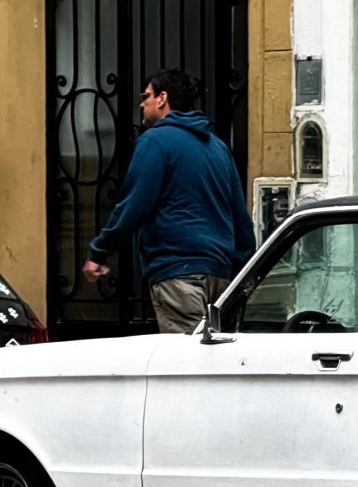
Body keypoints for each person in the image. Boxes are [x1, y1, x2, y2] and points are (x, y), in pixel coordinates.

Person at [81, 69, 255, 333]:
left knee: (186, 366)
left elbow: (134, 205)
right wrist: (242, 273)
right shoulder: (218, 148)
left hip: (178, 273)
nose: (142, 103)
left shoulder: (155, 141)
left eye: (145, 96)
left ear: (162, 98)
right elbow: (239, 217)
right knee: (215, 364)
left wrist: (100, 251)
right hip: (220, 276)